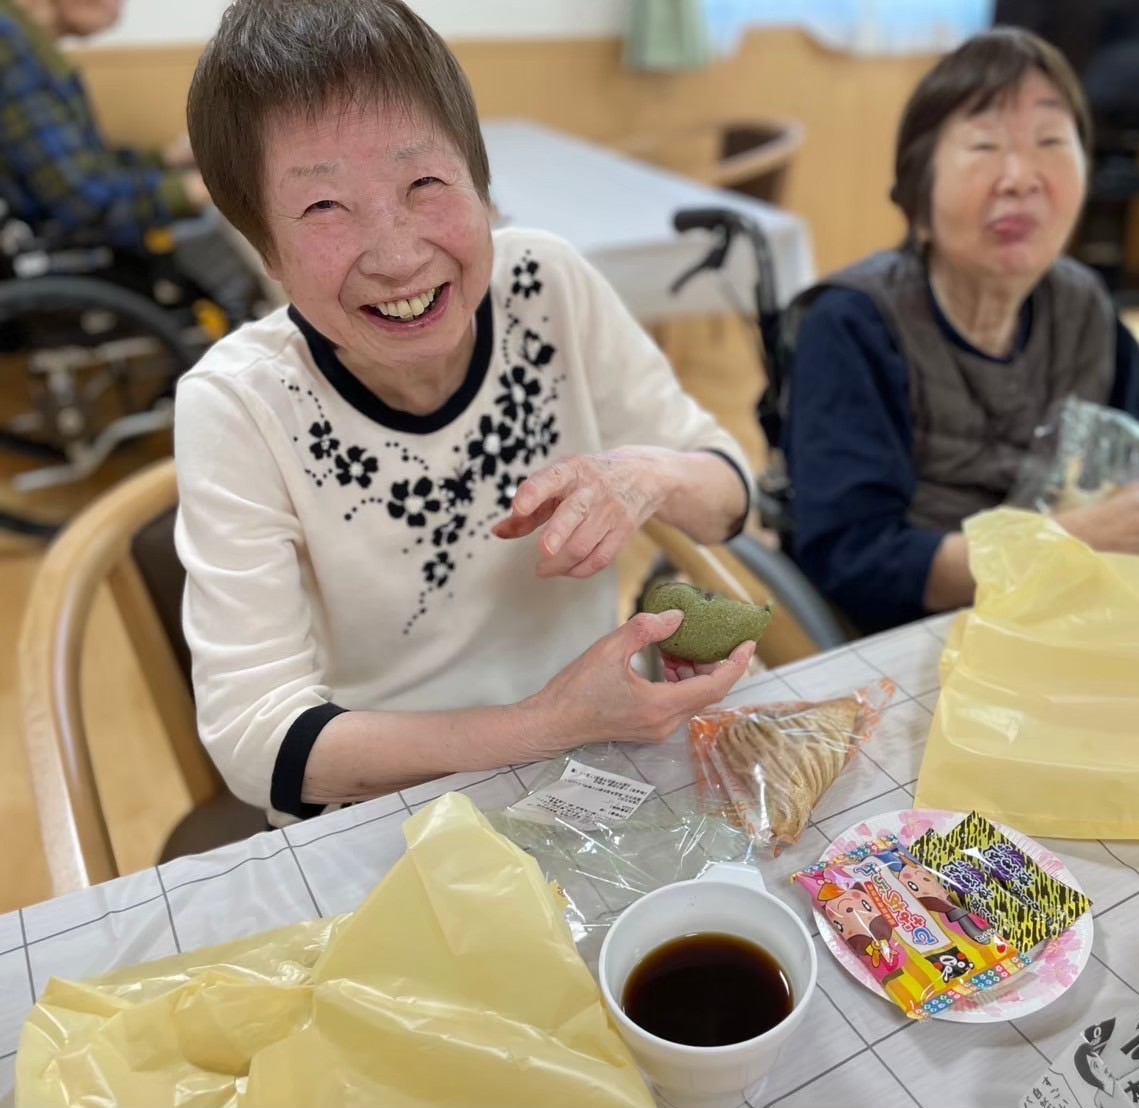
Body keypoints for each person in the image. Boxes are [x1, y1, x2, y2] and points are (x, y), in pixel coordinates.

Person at [174, 0, 756, 825]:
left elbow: (730, 494)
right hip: (384, 804)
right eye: (323, 209)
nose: (398, 254)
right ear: (264, 250)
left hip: (591, 769)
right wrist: (544, 725)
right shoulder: (238, 403)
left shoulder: (545, 287)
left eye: (425, 184)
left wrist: (647, 474)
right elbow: (258, 742)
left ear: (482, 187)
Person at [783, 29, 1139, 635]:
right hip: (923, 634)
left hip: (1074, 614)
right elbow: (856, 559)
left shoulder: (1081, 302)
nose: (1020, 177)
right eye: (984, 146)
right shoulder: (853, 326)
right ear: (918, 205)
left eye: (1051, 141)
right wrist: (1073, 539)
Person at [0, 0, 210, 248]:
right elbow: (84, 204)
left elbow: (90, 166)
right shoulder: (9, 44)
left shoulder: (28, 43)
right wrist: (199, 190)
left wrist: (166, 158)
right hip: (53, 255)